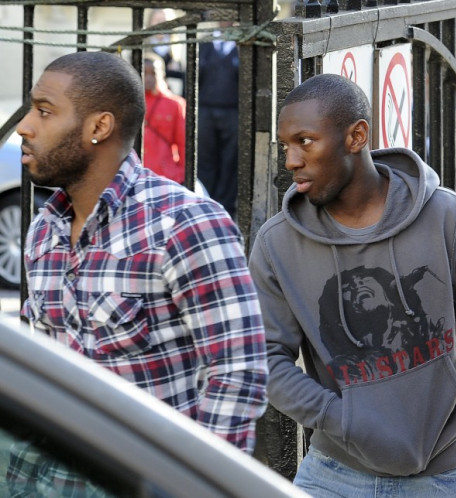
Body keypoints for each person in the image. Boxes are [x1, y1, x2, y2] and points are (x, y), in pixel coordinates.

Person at [249, 73, 456, 496]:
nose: (291, 160)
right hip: (333, 474)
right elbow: (266, 357)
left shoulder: (445, 216)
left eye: (305, 141)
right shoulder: (278, 244)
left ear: (356, 136)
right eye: (285, 146)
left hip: (445, 475)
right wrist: (339, 417)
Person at [17, 52, 268, 454]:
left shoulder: (184, 223)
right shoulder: (46, 231)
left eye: (44, 112)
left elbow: (237, 374)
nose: (24, 127)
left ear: (99, 126)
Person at [197, 21, 240, 219]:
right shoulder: (205, 43)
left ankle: (225, 208)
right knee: (205, 159)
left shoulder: (241, 42)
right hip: (206, 110)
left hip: (233, 111)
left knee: (230, 161)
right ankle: (205, 203)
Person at [143, 52, 186, 184]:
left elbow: (183, 144)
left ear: (162, 74)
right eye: (144, 73)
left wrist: (181, 173)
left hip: (165, 176)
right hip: (136, 174)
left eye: (153, 73)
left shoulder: (175, 103)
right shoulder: (128, 102)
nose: (149, 78)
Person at [145, 8, 185, 96]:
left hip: (170, 96)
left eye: (164, 20)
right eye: (157, 20)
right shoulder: (142, 46)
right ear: (150, 22)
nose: (161, 24)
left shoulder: (178, 47)